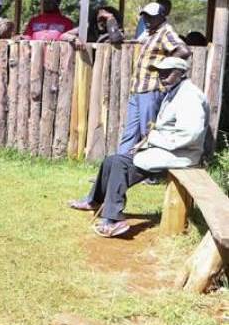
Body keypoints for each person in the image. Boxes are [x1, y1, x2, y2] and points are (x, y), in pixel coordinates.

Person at [70, 57, 208, 237]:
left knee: (121, 163)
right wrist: (148, 142)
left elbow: (190, 135)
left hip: (181, 155)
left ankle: (114, 221)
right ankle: (95, 200)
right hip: (168, 151)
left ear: (181, 73)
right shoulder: (175, 91)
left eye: (168, 72)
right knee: (112, 160)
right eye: (160, 72)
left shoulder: (189, 96)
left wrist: (153, 141)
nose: (162, 76)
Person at [118, 1, 191, 155]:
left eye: (151, 17)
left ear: (161, 17)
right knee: (129, 133)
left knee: (148, 132)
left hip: (151, 89)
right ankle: (118, 168)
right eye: (145, 17)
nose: (147, 20)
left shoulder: (165, 32)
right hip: (138, 89)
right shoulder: (151, 33)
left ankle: (151, 173)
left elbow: (184, 51)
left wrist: (164, 65)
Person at [60, 5, 125, 46]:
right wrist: (75, 39)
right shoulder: (89, 28)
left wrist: (110, 19)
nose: (102, 23)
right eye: (100, 19)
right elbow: (63, 35)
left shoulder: (116, 30)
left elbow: (116, 39)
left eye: (105, 19)